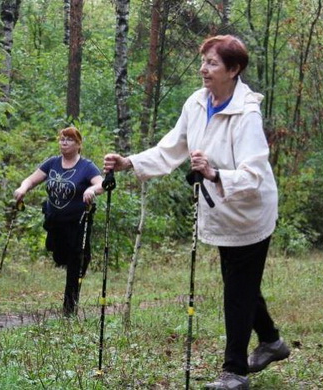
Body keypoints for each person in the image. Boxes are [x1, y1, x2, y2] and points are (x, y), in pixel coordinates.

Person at [104, 35, 290, 390]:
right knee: (241, 283)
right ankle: (271, 341)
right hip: (221, 210)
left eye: (212, 63)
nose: (204, 69)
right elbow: (172, 147)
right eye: (203, 61)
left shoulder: (246, 113)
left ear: (234, 70)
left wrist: (215, 173)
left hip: (251, 211)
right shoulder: (197, 102)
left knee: (237, 288)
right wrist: (130, 162)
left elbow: (253, 173)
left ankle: (234, 371)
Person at [14, 126, 104, 316]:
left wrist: (91, 190)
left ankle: (69, 309)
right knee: (59, 255)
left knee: (75, 262)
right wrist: (23, 189)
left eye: (69, 139)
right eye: (62, 139)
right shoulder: (53, 163)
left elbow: (101, 184)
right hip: (55, 222)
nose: (64, 142)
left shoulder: (86, 166)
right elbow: (31, 179)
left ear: (78, 144)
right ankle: (74, 262)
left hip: (77, 223)